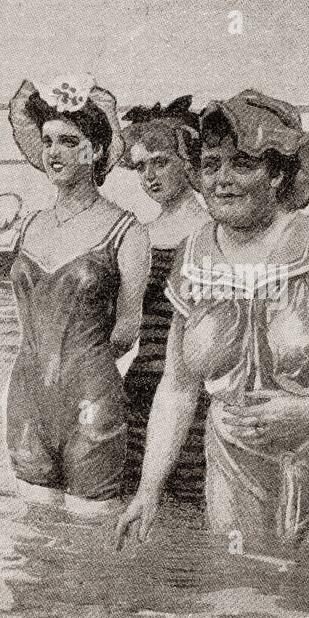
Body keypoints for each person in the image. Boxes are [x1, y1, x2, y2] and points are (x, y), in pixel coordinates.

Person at [115, 90, 309, 551]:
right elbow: (178, 388)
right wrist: (147, 490)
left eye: (242, 163)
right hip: (238, 467)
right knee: (241, 601)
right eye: (210, 165)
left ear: (279, 172)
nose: (221, 180)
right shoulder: (193, 255)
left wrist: (303, 411)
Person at [5, 77, 151, 514]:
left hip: (93, 398)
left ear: (98, 150)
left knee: (89, 537)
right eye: (48, 140)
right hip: (26, 398)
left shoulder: (128, 231)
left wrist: (82, 368)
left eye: (70, 141)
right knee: (34, 536)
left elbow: (127, 330)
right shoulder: (29, 224)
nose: (54, 152)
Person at [120, 96, 211, 504]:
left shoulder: (214, 232)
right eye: (140, 167)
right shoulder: (140, 232)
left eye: (160, 162)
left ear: (188, 162)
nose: (149, 177)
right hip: (141, 385)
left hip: (198, 392)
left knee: (193, 500)